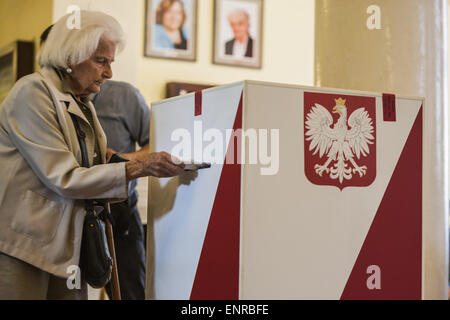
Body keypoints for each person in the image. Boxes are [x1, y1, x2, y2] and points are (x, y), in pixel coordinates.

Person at [0, 11, 184, 300]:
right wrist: (137, 166)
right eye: (102, 61)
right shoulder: (32, 92)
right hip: (24, 246)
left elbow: (90, 170)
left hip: (68, 245)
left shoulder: (82, 101)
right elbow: (65, 177)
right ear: (71, 56)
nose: (109, 73)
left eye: (110, 62)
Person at [92, 81, 149, 300]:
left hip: (120, 213)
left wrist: (120, 161)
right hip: (69, 210)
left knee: (129, 293)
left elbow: (157, 142)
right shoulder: (48, 96)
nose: (108, 72)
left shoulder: (126, 95)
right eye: (100, 60)